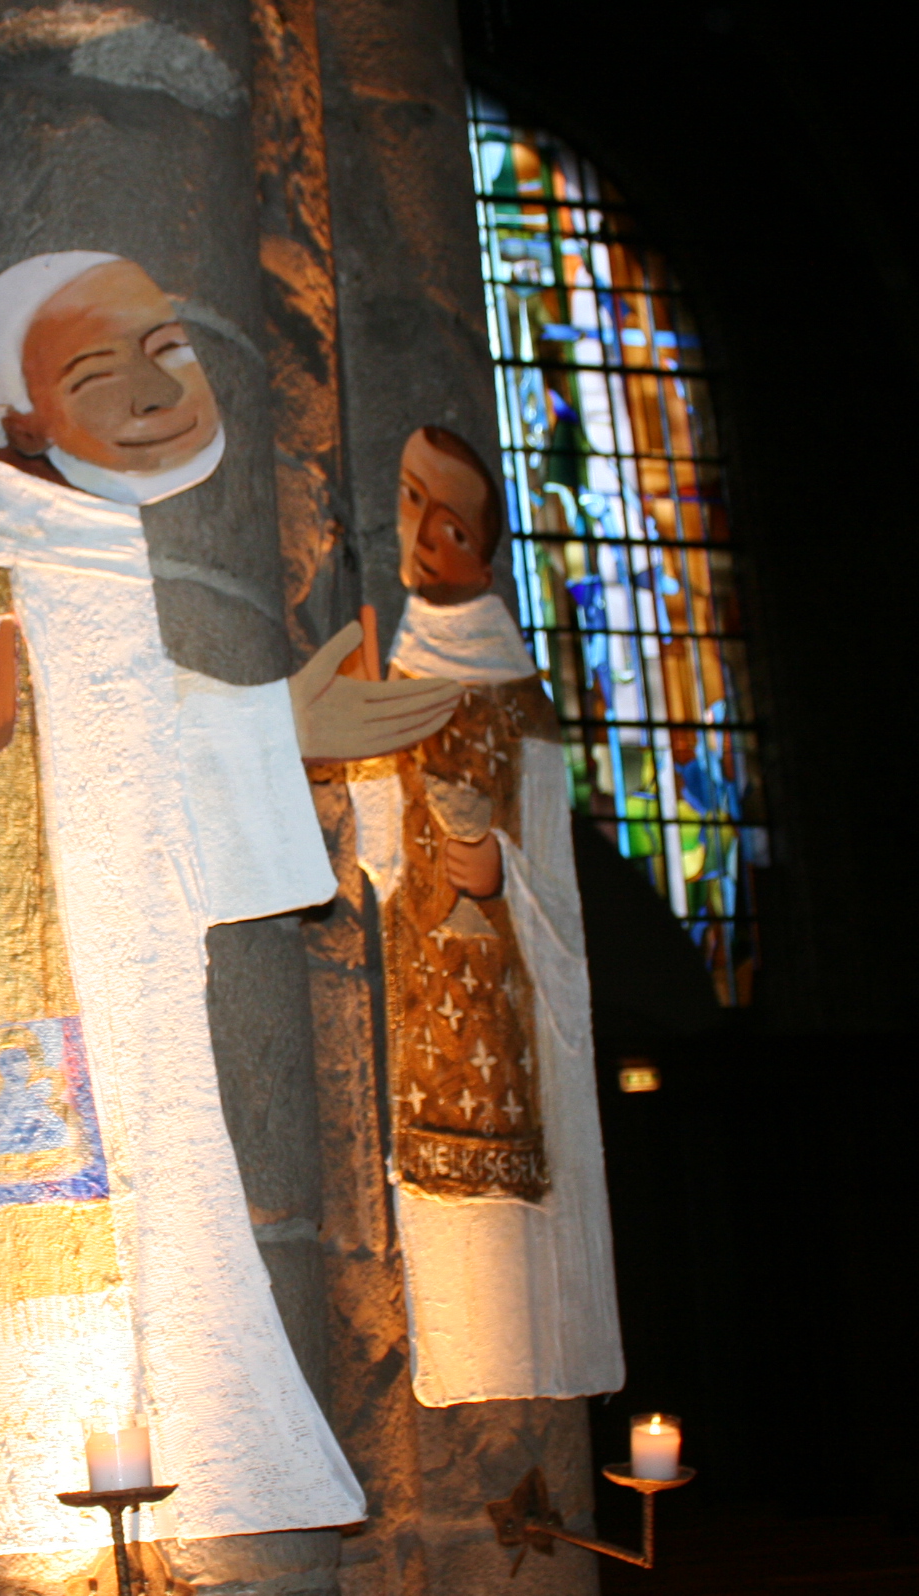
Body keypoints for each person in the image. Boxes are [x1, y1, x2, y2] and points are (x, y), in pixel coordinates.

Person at [0, 252, 460, 1560]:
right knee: (66, 1247)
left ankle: (176, 1455)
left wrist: (280, 724)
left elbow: (127, 731)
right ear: (18, 410)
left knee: (172, 1233)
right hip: (23, 985)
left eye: (162, 349)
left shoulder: (80, 525)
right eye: (90, 368)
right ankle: (67, 1482)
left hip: (121, 977)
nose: (146, 388)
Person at [345, 426, 623, 1406]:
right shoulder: (397, 672)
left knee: (513, 1269)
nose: (424, 534)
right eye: (414, 502)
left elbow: (556, 878)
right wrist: (362, 751)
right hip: (422, 1021)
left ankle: (522, 1387)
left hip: (507, 1036)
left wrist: (497, 869)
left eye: (451, 523)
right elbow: (379, 863)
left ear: (484, 549)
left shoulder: (520, 701)